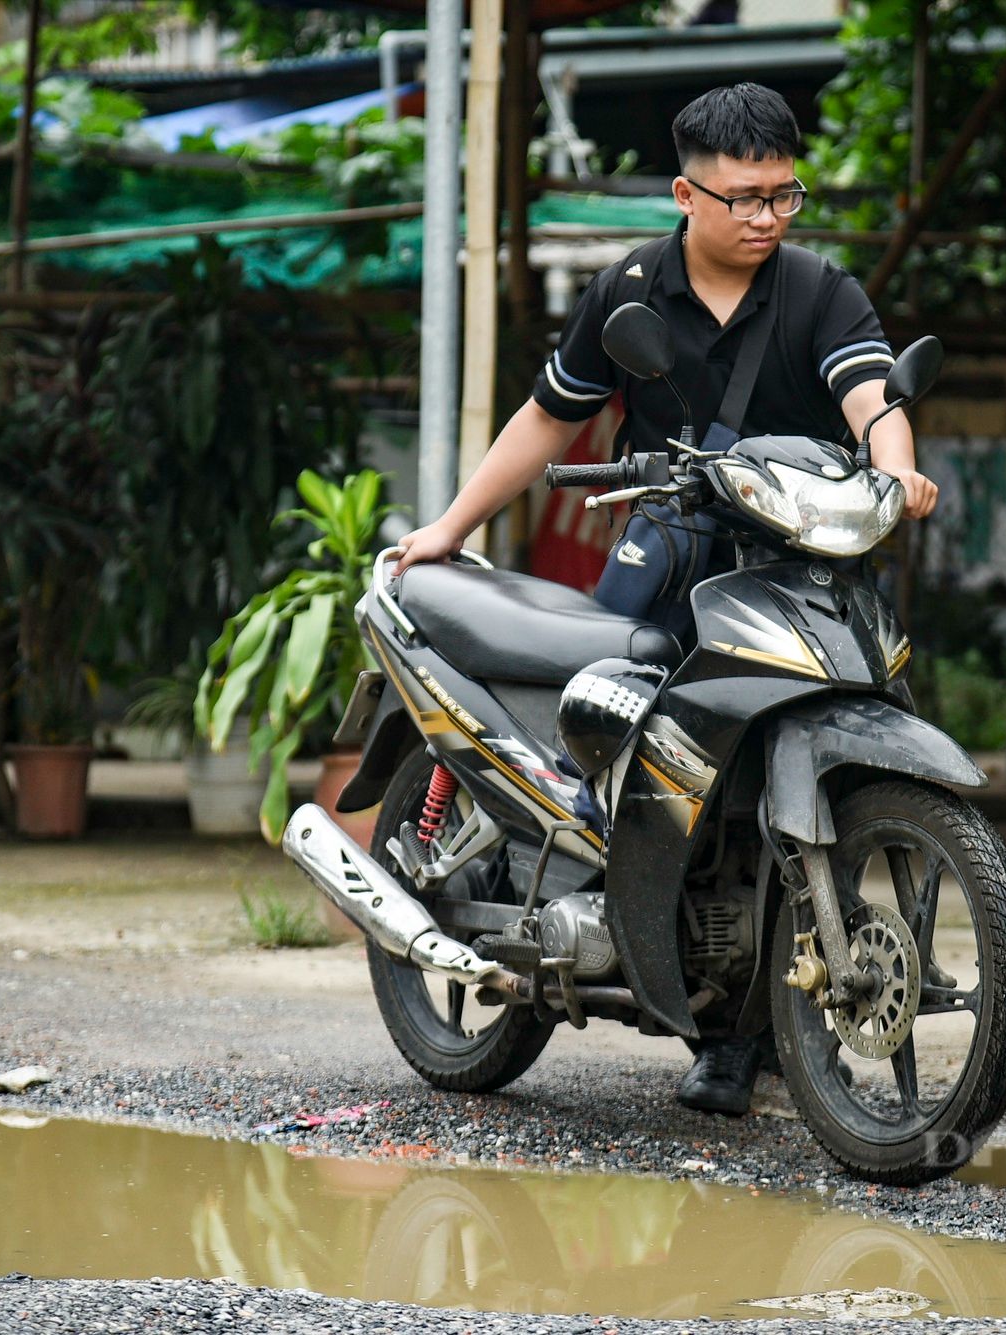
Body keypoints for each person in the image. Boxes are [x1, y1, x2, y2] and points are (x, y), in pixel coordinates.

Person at [397, 82, 936, 1116]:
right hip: (672, 551)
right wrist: (449, 528)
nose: (767, 218)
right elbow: (550, 418)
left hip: (799, 559)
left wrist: (894, 470)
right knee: (629, 745)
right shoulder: (630, 289)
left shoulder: (820, 290)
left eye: (784, 196)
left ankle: (757, 1019)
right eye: (744, 198)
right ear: (685, 195)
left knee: (810, 760)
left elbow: (873, 398)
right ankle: (629, 945)